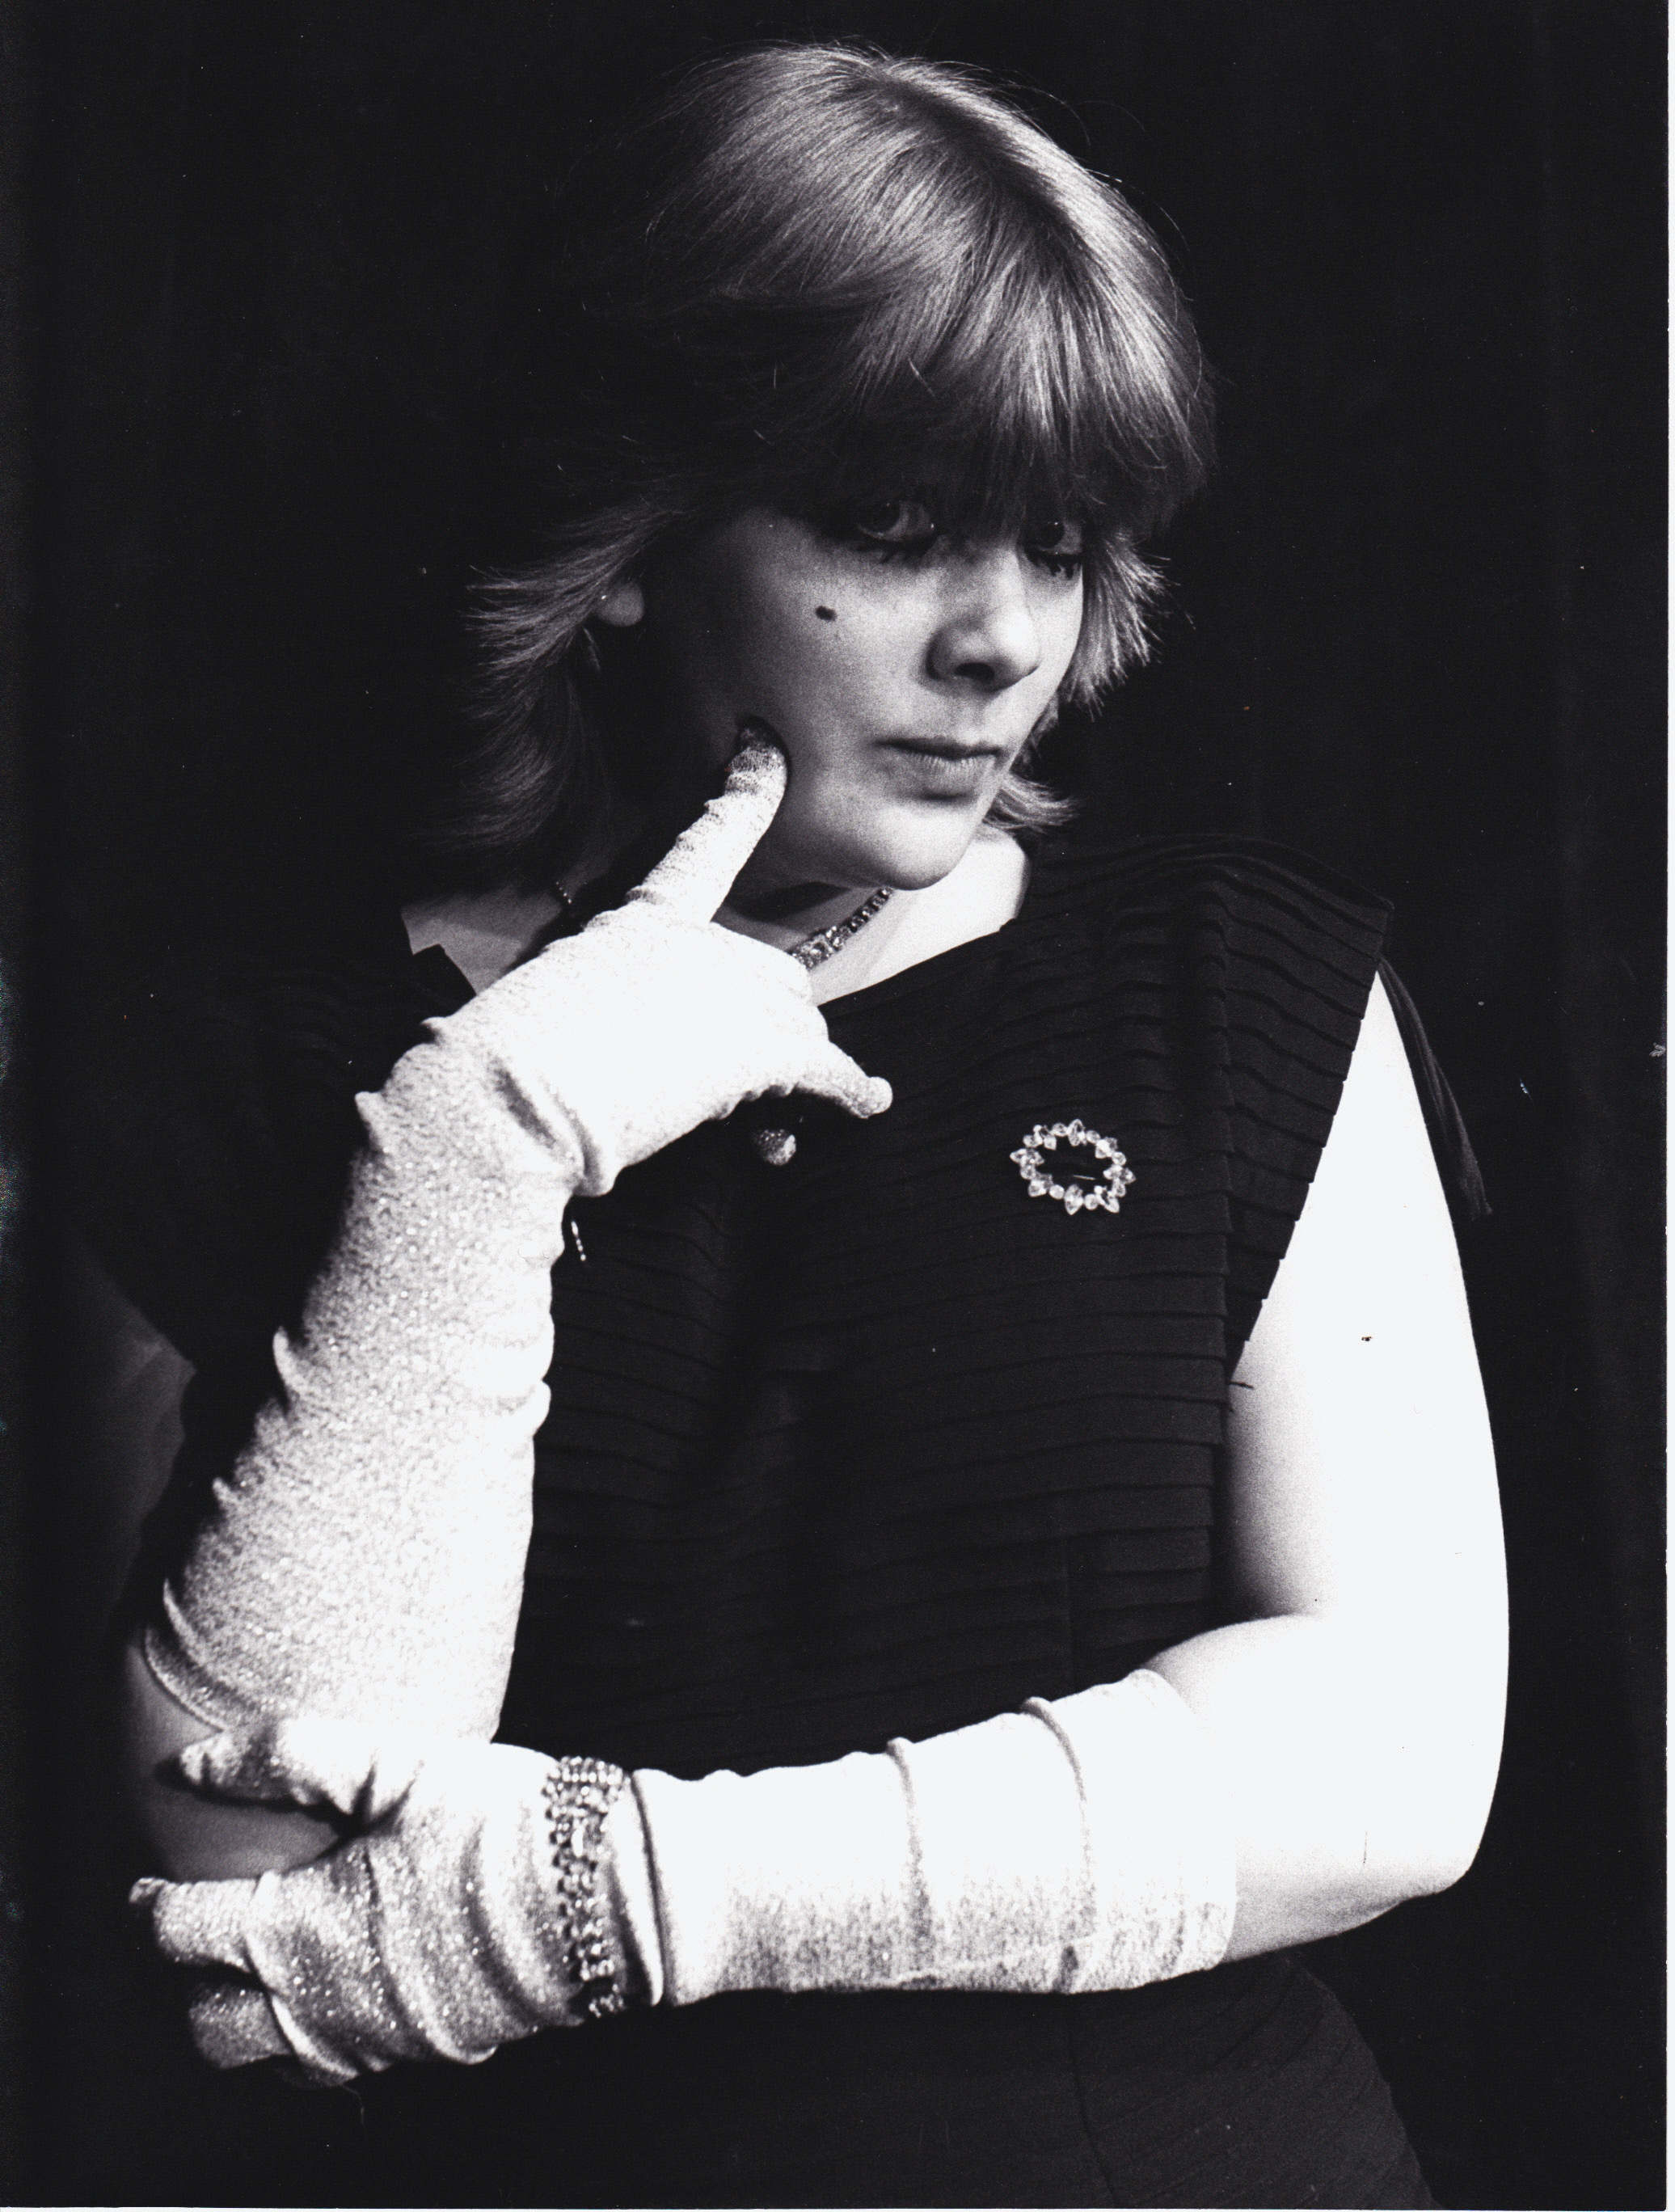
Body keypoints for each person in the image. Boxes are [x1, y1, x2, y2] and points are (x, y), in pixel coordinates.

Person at [75, 42, 1506, 2209]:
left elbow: (1392, 1760)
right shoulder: (242, 1056)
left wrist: (624, 1894)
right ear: (627, 540)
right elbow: (254, 1887)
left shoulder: (1233, 985)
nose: (1004, 642)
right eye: (897, 531)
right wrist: (486, 1138)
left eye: (1061, 543)